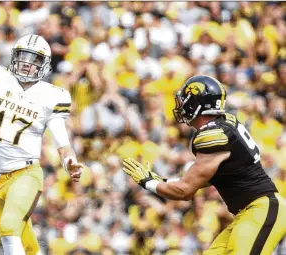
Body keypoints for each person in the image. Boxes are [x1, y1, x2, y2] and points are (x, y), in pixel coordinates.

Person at [0, 26, 83, 255]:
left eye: (35, 59)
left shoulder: (51, 96)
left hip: (25, 173)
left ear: (45, 65)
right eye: (24, 56)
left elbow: (62, 142)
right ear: (14, 56)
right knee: (24, 241)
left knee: (10, 227)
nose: (28, 63)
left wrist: (69, 161)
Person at [122, 75, 286, 254]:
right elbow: (201, 179)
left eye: (185, 100)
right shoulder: (224, 125)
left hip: (261, 209)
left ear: (197, 103)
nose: (181, 105)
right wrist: (163, 180)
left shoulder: (212, 134)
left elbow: (185, 191)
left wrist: (149, 182)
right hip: (248, 212)